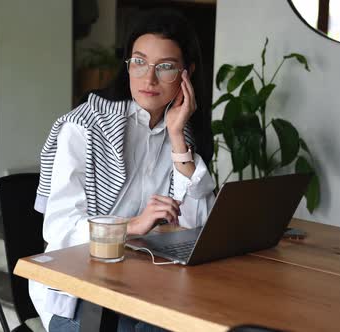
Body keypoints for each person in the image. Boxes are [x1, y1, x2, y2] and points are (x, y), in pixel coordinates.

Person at [30, 9, 216, 332]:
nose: (149, 78)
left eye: (166, 67)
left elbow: (195, 229)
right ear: (127, 65)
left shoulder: (181, 133)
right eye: (139, 62)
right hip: (79, 295)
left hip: (149, 288)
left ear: (188, 73)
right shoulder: (83, 129)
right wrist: (130, 225)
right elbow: (60, 236)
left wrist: (176, 138)